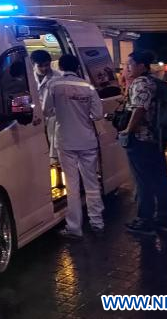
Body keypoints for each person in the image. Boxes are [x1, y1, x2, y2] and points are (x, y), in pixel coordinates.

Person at [42, 54, 104, 239]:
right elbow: (98, 114)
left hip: (66, 141)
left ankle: (75, 227)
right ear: (77, 67)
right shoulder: (88, 86)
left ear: (60, 67)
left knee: (72, 185)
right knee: (92, 183)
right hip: (87, 140)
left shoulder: (54, 85)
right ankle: (97, 222)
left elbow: (46, 110)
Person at [122, 50, 167, 236]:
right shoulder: (154, 81)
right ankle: (164, 220)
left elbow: (139, 110)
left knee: (143, 181)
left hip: (142, 139)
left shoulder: (141, 83)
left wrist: (128, 131)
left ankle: (145, 221)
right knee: (160, 179)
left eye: (130, 64)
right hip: (155, 138)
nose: (127, 68)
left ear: (141, 66)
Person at [32, 50, 62, 164]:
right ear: (33, 64)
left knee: (53, 144)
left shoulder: (58, 77)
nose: (45, 68)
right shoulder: (28, 78)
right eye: (40, 66)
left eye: (47, 65)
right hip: (35, 116)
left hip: (53, 116)